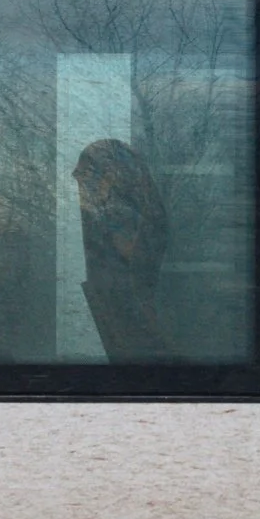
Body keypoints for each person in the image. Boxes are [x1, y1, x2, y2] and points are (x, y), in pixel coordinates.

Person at [74, 137, 170, 361]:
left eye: (86, 174)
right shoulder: (106, 224)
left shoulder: (122, 219)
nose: (78, 181)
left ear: (109, 178)